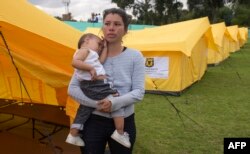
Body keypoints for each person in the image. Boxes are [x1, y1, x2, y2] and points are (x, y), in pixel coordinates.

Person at [68, 8, 145, 154]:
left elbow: (139, 92)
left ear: (126, 30)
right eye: (107, 23)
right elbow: (72, 89)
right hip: (93, 121)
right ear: (102, 27)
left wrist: (113, 103)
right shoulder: (90, 56)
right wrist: (97, 104)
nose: (111, 28)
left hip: (125, 120)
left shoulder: (135, 56)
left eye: (117, 24)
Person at [66, 33, 131, 148]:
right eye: (99, 44)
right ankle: (120, 133)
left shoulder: (92, 55)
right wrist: (90, 68)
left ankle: (73, 134)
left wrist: (105, 47)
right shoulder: (84, 50)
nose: (100, 47)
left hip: (92, 86)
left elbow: (101, 61)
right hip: (94, 85)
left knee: (85, 108)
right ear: (87, 40)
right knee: (116, 99)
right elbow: (74, 62)